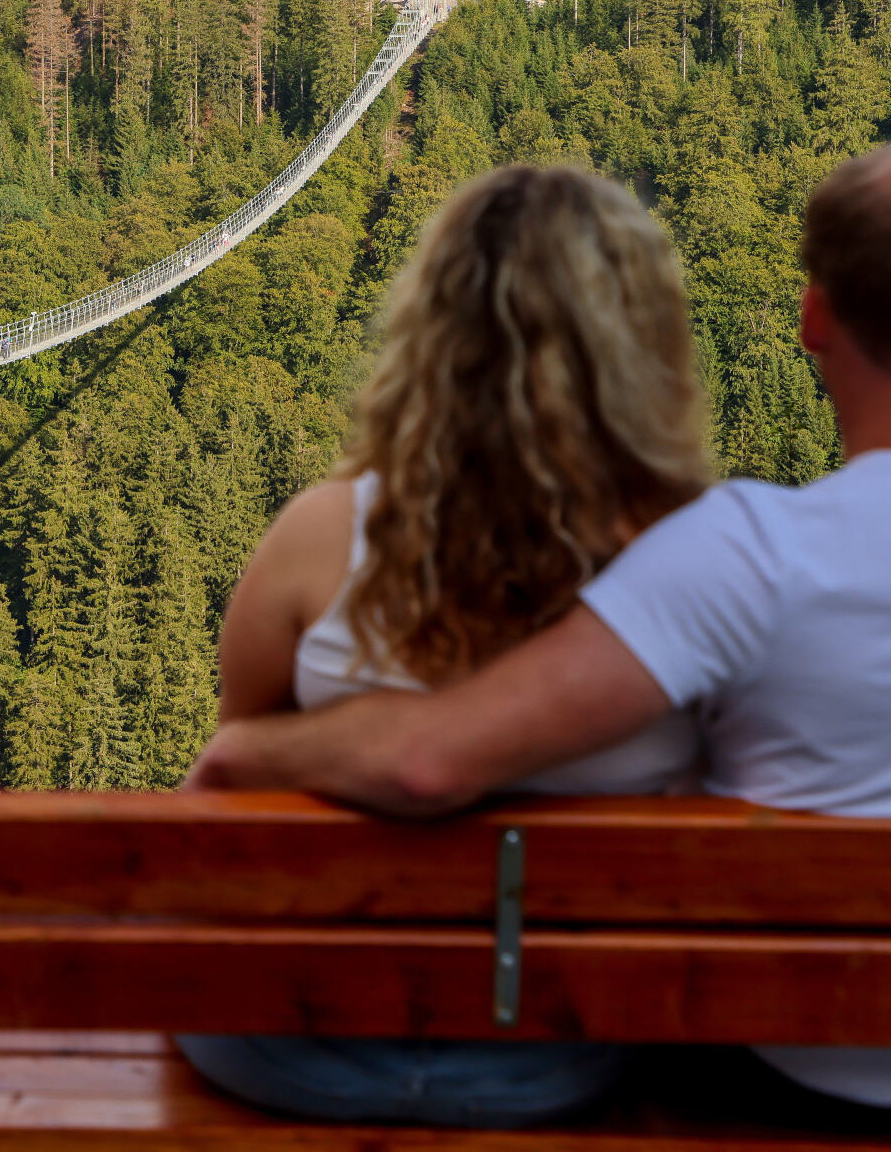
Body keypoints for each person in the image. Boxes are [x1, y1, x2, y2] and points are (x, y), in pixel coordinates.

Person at [189, 142, 891, 1123]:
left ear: (813, 319)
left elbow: (426, 761)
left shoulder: (745, 556)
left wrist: (244, 753)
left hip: (759, 1062)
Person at [179, 163, 715, 1130]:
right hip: (569, 1047)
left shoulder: (316, 539)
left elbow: (235, 797)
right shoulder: (705, 565)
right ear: (641, 350)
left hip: (292, 1041)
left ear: (428, 339)